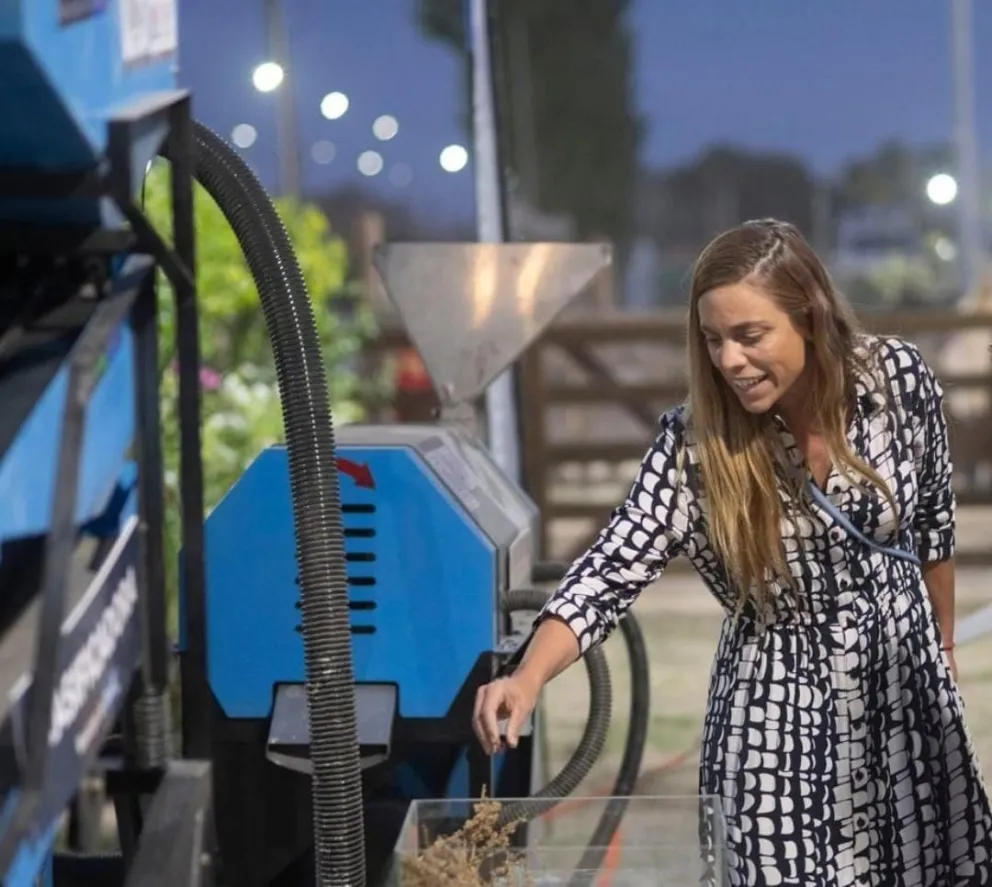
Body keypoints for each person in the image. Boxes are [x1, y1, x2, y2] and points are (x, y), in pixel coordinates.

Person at [472, 219, 992, 886]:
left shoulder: (897, 380)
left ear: (809, 314)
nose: (729, 361)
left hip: (905, 701)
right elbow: (608, 567)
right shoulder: (695, 444)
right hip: (776, 723)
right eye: (714, 340)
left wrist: (940, 655)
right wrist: (528, 675)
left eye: (749, 336)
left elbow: (933, 529)